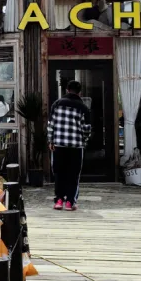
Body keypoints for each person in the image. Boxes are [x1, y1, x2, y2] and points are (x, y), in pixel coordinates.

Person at [47, 80, 93, 211]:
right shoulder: (83, 107)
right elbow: (86, 128)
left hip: (58, 145)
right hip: (76, 146)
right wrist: (84, 140)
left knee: (59, 173)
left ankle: (59, 200)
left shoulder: (56, 104)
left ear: (67, 90)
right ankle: (70, 202)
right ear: (80, 92)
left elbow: (50, 125)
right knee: (73, 174)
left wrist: (51, 141)